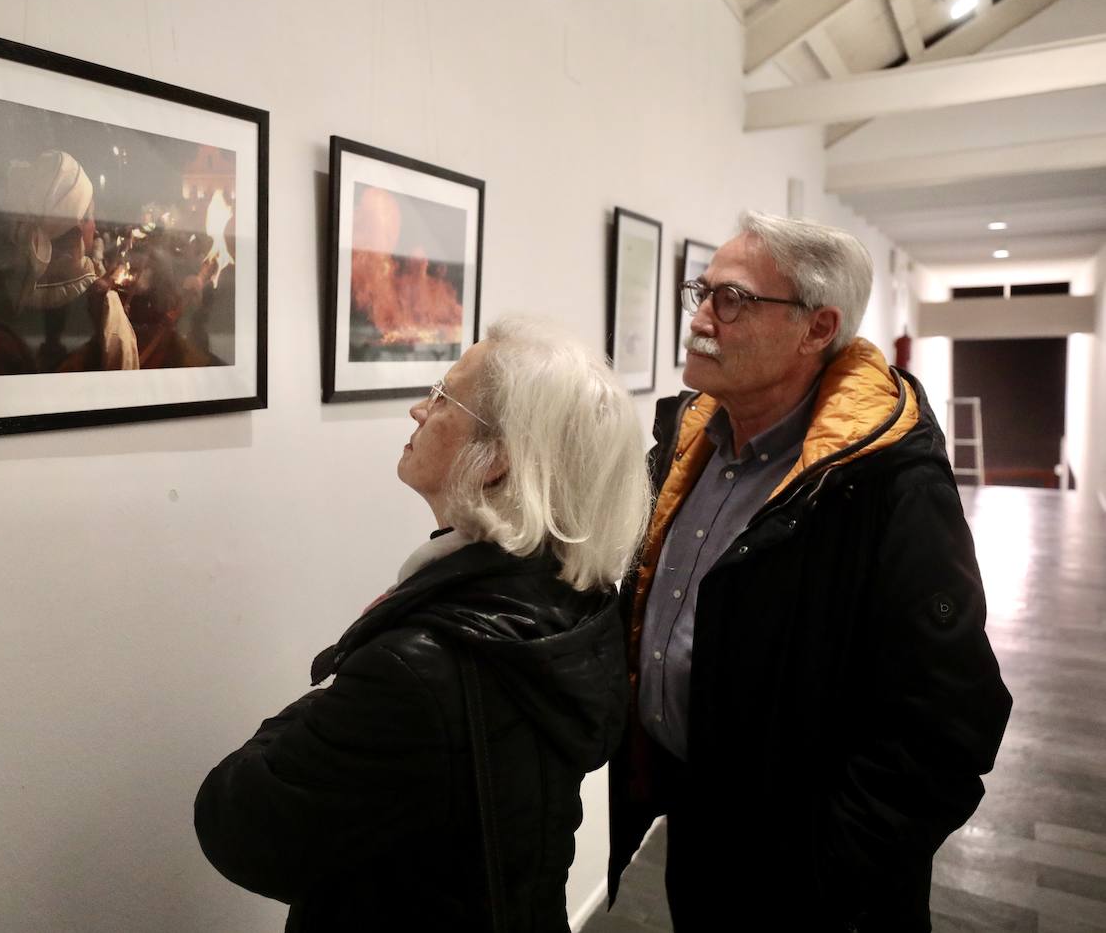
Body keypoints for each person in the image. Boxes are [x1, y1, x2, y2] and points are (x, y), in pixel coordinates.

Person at [607, 212, 1012, 931]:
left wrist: (824, 870)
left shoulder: (887, 482)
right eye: (701, 291)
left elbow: (953, 725)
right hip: (698, 830)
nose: (701, 318)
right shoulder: (688, 440)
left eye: (730, 299)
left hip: (816, 886)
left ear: (817, 328)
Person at [196, 317, 651, 933]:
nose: (417, 410)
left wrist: (317, 704)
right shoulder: (578, 598)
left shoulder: (418, 667)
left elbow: (241, 828)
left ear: (495, 461)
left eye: (443, 397)